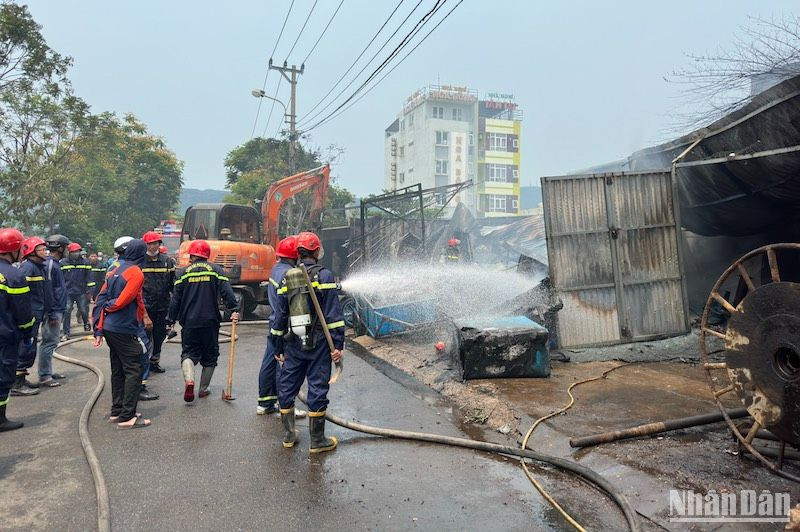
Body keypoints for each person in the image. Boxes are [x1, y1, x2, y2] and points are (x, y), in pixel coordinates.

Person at [271, 231, 344, 453]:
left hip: (294, 342)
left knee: (287, 386)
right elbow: (332, 315)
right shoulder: (325, 276)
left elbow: (280, 316)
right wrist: (338, 345)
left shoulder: (288, 278)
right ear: (317, 251)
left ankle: (289, 435)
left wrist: (278, 345)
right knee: (317, 387)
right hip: (320, 343)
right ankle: (317, 441)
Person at [167, 240, 239, 403]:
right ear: (206, 256)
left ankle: (189, 380)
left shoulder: (182, 273)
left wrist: (170, 320)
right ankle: (203, 389)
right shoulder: (216, 270)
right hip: (210, 320)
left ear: (192, 256)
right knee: (210, 356)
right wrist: (234, 309)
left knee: (188, 353)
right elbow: (227, 292)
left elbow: (175, 299)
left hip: (189, 321)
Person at [92, 239, 151, 429]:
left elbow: (101, 297)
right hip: (124, 327)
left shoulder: (114, 269)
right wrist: (112, 307)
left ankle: (117, 411)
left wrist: (99, 327)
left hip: (110, 328)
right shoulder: (135, 272)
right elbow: (123, 300)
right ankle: (128, 416)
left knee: (118, 369)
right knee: (134, 369)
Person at [256, 235, 306, 419]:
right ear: (295, 255)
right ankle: (286, 408)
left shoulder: (277, 269)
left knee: (270, 361)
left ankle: (265, 402)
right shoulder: (289, 274)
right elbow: (294, 304)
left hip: (274, 323)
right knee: (284, 367)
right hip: (284, 326)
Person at [0, 228, 35, 431]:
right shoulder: (14, 275)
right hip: (6, 335)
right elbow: (23, 313)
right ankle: (1, 419)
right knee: (4, 376)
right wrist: (27, 331)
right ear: (13, 249)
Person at [14, 237, 59, 392]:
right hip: (30, 314)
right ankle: (17, 383)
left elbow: (44, 293)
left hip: (37, 313)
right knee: (25, 347)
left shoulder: (38, 267)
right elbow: (22, 296)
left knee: (30, 346)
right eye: (41, 249)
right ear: (31, 252)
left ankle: (22, 378)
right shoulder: (28, 269)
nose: (45, 252)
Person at [141, 231, 174, 376]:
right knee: (145, 336)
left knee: (159, 335)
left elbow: (173, 284)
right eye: (150, 243)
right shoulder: (140, 261)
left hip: (162, 306)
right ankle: (145, 362)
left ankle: (155, 361)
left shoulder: (167, 261)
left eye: (156, 243)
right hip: (145, 306)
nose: (153, 246)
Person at [61, 242, 92, 337]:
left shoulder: (85, 262)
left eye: (78, 251)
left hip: (81, 291)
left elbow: (89, 278)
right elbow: (60, 278)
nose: (76, 253)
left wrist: (89, 291)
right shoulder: (63, 263)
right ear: (69, 252)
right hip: (68, 291)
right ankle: (66, 332)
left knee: (83, 309)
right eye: (74, 251)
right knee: (67, 310)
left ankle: (86, 323)